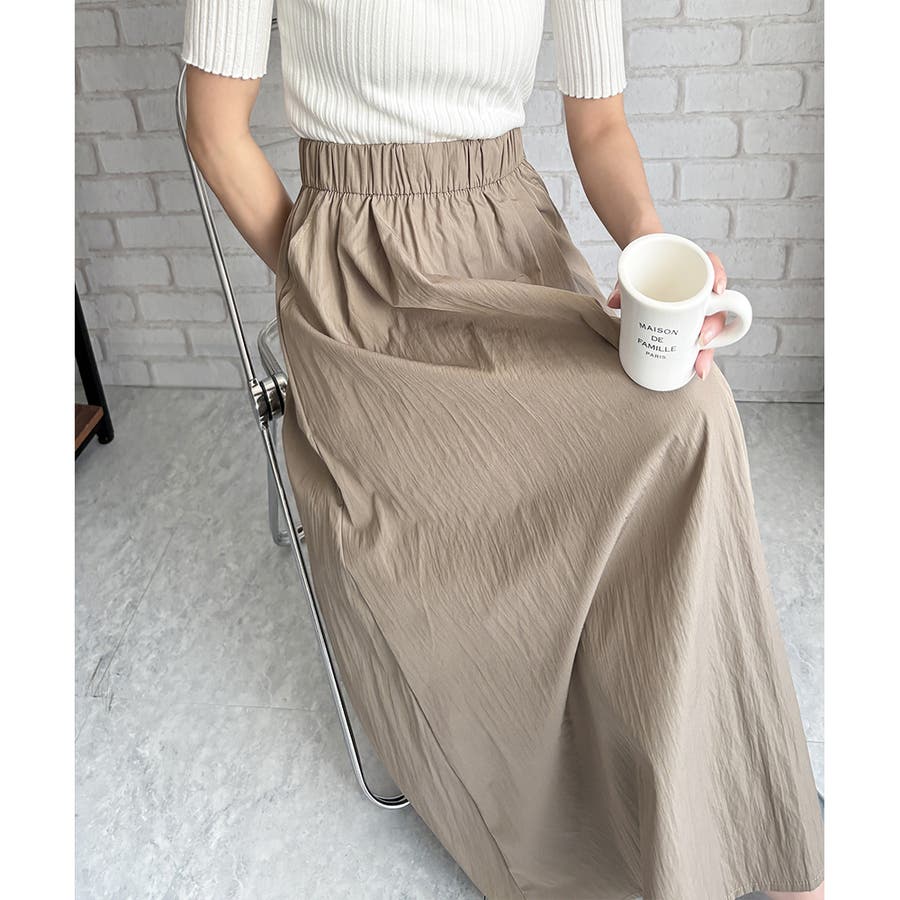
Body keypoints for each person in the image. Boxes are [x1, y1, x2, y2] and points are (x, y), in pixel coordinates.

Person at [180, 2, 825, 898]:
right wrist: (310, 272)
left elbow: (599, 127)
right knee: (447, 507)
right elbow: (213, 128)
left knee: (693, 416)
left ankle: (738, 813)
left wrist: (656, 256)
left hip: (511, 247)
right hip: (355, 277)